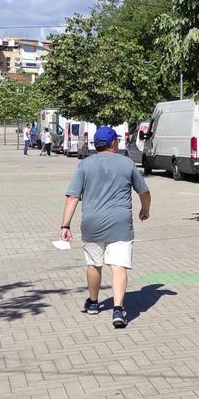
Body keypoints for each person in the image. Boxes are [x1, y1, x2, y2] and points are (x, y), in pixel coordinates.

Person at [60, 126, 151, 328]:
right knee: (118, 266)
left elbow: (72, 197)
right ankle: (118, 310)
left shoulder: (84, 165)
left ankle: (93, 303)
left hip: (92, 223)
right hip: (120, 223)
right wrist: (145, 210)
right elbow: (144, 192)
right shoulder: (127, 163)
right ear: (113, 143)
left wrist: (65, 225)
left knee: (94, 263)